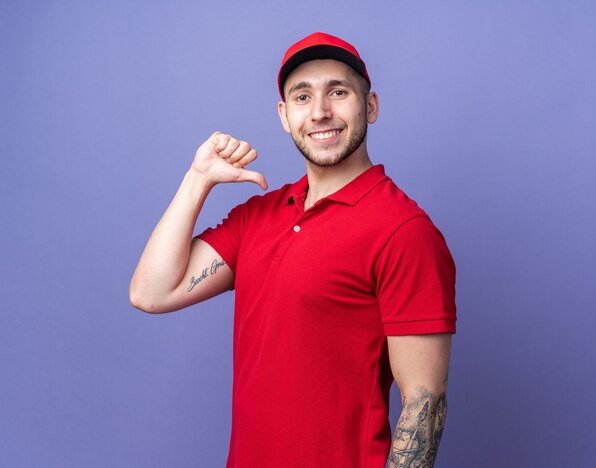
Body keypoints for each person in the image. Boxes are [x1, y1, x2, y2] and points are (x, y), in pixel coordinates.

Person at [130, 32, 456, 468]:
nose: (320, 112)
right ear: (285, 116)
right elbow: (151, 293)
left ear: (371, 106)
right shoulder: (258, 216)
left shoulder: (404, 231)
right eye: (302, 97)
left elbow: (424, 403)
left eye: (337, 92)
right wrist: (198, 179)